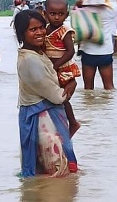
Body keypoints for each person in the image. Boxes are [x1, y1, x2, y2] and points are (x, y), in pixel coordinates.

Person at [15, 10, 78, 177]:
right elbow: (57, 96)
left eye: (42, 28)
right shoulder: (30, 60)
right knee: (57, 172)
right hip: (43, 122)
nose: (40, 32)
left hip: (43, 117)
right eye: (33, 29)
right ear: (22, 33)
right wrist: (72, 83)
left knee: (47, 177)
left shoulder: (38, 52)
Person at [44, 0, 81, 136]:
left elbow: (70, 51)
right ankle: (59, 124)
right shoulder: (45, 29)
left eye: (61, 14)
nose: (57, 18)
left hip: (63, 68)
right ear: (45, 14)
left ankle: (72, 122)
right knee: (52, 98)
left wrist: (56, 66)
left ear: (66, 14)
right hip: (51, 67)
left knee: (62, 97)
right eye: (53, 14)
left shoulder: (65, 31)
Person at [76, 0, 117, 90]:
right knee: (109, 87)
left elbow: (76, 11)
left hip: (88, 51)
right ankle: (110, 104)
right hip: (105, 51)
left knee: (88, 89)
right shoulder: (111, 7)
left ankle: (88, 105)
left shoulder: (84, 6)